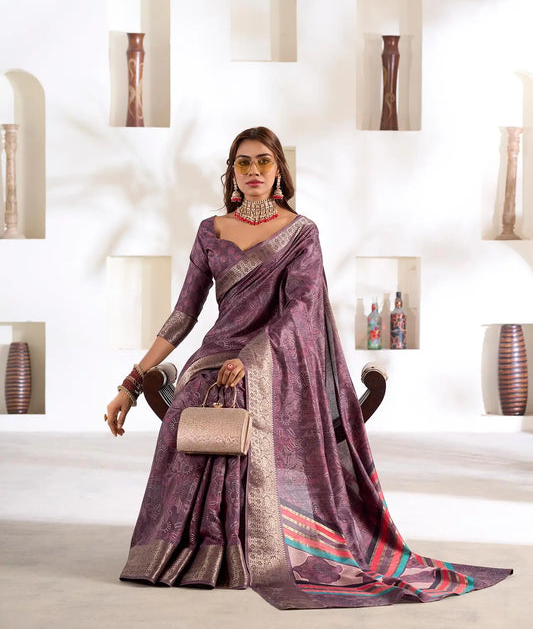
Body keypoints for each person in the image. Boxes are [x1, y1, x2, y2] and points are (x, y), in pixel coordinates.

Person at [106, 126, 512, 610]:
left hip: (276, 358)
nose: (253, 170)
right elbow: (183, 314)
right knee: (193, 400)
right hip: (215, 355)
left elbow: (301, 309)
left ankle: (253, 547)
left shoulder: (301, 232)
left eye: (263, 161)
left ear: (279, 169)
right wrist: (131, 384)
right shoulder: (210, 231)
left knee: (240, 397)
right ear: (231, 173)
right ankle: (188, 549)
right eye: (243, 162)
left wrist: (251, 358)